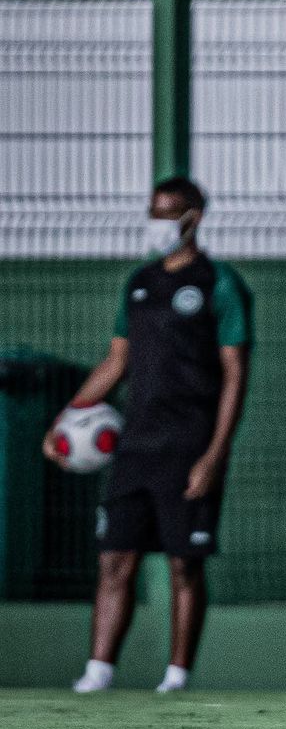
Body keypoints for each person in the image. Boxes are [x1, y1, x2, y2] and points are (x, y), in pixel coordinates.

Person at [42, 176, 253, 693]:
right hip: (135, 445)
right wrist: (67, 417)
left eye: (168, 213)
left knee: (184, 564)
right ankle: (98, 671)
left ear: (193, 216)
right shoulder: (139, 283)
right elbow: (117, 362)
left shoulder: (220, 283)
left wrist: (214, 454)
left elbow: (235, 374)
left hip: (190, 446)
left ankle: (176, 676)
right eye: (153, 211)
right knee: (114, 559)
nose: (158, 222)